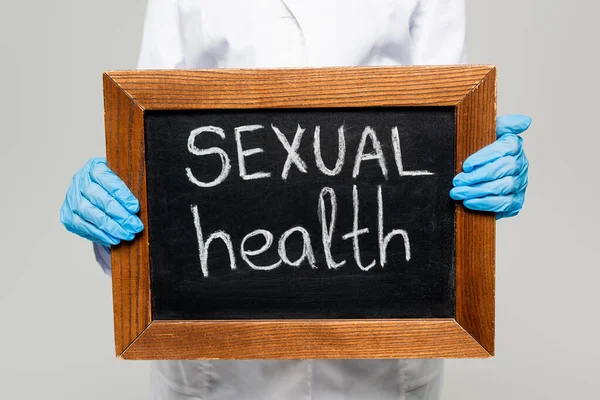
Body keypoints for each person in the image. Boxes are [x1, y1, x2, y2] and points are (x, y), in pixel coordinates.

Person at [60, 1, 531, 399]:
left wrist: (483, 180)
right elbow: (155, 158)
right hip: (217, 362)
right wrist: (114, 220)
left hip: (383, 356)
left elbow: (445, 135)